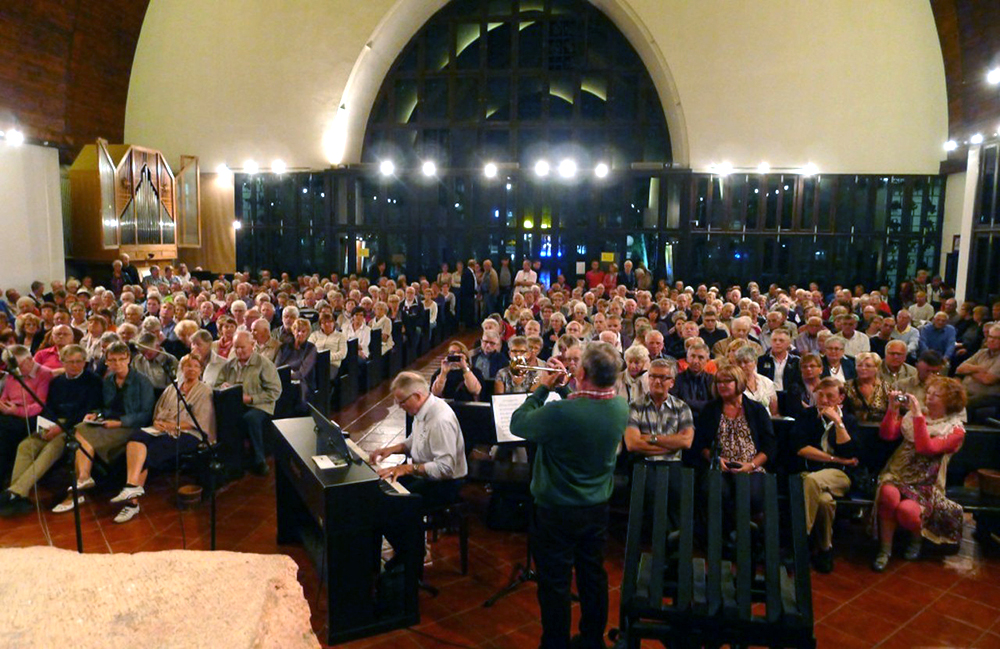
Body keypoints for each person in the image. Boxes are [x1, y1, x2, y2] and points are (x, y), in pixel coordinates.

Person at [509, 342, 628, 649]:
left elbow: (518, 423)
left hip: (556, 511)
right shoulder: (619, 406)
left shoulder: (561, 413)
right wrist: (564, 390)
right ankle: (591, 640)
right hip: (597, 508)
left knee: (555, 583)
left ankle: (555, 644)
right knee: (592, 576)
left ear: (584, 372)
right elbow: (582, 414)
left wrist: (541, 388)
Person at [369, 372, 468, 568]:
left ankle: (411, 557)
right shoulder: (422, 410)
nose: (399, 406)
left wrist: (407, 468)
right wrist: (392, 449)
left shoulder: (440, 420)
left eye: (401, 402)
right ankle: (404, 553)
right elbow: (416, 440)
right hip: (426, 474)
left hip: (446, 483)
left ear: (417, 395)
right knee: (380, 495)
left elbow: (445, 468)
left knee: (395, 507)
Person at [872, 378, 967, 572]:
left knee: (907, 512)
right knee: (889, 497)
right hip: (898, 471)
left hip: (927, 481)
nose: (929, 397)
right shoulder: (915, 417)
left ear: (950, 401)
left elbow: (926, 447)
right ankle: (884, 550)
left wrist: (917, 414)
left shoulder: (954, 429)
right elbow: (887, 435)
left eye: (936, 395)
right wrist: (892, 409)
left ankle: (916, 540)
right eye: (929, 392)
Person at [109, 354, 216, 523]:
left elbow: (200, 420)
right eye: (188, 366)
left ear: (201, 369)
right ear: (182, 368)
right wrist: (159, 422)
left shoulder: (204, 390)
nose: (191, 369)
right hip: (163, 428)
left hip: (188, 434)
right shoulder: (172, 387)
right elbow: (159, 409)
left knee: (149, 452)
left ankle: (132, 504)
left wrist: (173, 426)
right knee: (137, 437)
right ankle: (131, 486)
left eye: (196, 366)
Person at [52, 342, 155, 513]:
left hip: (129, 426)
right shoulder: (108, 381)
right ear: (106, 361)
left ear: (128, 359)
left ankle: (79, 489)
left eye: (121, 360)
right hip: (109, 423)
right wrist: (96, 415)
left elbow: (145, 415)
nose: (117, 364)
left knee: (82, 435)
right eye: (112, 361)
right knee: (80, 427)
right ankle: (84, 478)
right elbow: (105, 407)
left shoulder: (142, 382)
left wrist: (120, 422)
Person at [0, 345, 102, 516]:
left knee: (50, 449)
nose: (75, 366)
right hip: (54, 422)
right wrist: (45, 426)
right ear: (63, 362)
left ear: (85, 362)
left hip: (75, 425)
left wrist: (59, 428)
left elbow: (86, 410)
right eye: (70, 362)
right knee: (26, 446)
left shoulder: (93, 381)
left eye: (79, 362)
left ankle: (15, 491)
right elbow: (49, 407)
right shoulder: (57, 382)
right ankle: (17, 494)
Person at [791, 378, 859, 573]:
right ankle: (825, 549)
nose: (824, 399)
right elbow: (801, 449)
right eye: (820, 394)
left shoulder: (849, 420)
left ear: (841, 398)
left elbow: (850, 453)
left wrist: (838, 422)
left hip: (839, 477)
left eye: (830, 396)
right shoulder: (806, 416)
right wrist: (835, 459)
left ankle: (799, 542)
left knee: (813, 481)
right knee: (824, 501)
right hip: (810, 472)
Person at [692, 365, 777, 517]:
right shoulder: (710, 409)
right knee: (715, 493)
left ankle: (747, 533)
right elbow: (700, 444)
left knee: (751, 496)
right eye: (719, 382)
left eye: (727, 381)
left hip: (751, 466)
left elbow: (769, 446)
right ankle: (721, 536)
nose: (722, 385)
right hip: (719, 466)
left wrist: (751, 465)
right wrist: (715, 459)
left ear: (739, 382)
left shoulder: (756, 409)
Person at [215, 331, 282, 476]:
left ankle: (259, 460)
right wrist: (223, 386)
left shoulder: (263, 364)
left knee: (251, 418)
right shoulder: (230, 364)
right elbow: (218, 383)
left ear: (252, 345)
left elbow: (275, 391)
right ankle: (230, 460)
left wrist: (251, 398)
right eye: (236, 348)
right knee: (223, 418)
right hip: (236, 404)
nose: (239, 351)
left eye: (242, 348)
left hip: (260, 405)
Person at [0, 345, 55, 489]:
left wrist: (15, 411)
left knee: (4, 430)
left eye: (18, 366)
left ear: (30, 359)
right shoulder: (13, 375)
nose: (15, 370)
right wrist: (4, 405)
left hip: (32, 417)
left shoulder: (44, 374)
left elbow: (40, 405)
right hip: (10, 412)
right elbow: (5, 396)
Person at [954, 322, 1000, 421]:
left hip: (988, 395)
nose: (992, 340)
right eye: (990, 336)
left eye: (996, 338)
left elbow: (988, 379)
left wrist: (969, 371)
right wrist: (979, 369)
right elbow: (960, 368)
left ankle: (966, 432)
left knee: (964, 402)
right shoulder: (982, 353)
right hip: (966, 390)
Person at [275, 318, 318, 405]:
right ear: (293, 331)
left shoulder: (311, 348)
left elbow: (302, 373)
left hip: (302, 381)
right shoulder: (284, 346)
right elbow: (277, 365)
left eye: (303, 331)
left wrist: (286, 375)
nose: (300, 334)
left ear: (307, 333)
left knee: (293, 390)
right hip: (281, 378)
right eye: (298, 330)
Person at [843, 352, 891, 423]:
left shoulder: (886, 387)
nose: (863, 368)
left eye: (868, 366)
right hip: (854, 428)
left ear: (877, 368)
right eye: (859, 365)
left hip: (879, 428)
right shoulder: (846, 386)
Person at [735, 346, 778, 416]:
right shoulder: (733, 384)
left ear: (755, 362)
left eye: (746, 362)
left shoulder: (766, 382)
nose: (742, 365)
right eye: (739, 362)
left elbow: (774, 411)